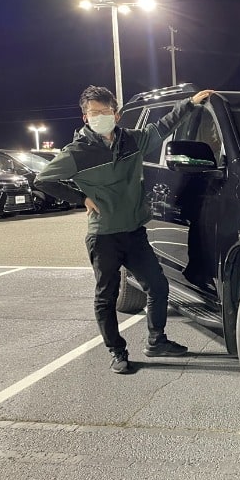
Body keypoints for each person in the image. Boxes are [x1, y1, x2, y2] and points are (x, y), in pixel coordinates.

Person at [34, 85, 215, 374]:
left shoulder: (133, 140)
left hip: (133, 232)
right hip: (103, 236)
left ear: (116, 115)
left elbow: (164, 126)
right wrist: (81, 198)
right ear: (85, 117)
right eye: (94, 113)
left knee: (157, 285)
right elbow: (44, 180)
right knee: (106, 297)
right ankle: (117, 351)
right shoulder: (77, 152)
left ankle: (157, 340)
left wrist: (190, 103)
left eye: (105, 112)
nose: (100, 117)